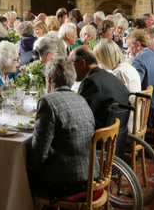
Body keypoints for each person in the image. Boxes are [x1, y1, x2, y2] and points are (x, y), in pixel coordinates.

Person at [26, 57, 97, 199]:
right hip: (91, 176)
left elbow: (40, 152)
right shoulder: (81, 99)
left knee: (23, 167)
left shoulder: (48, 101)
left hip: (65, 182)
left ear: (50, 78)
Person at [70, 46, 130, 130]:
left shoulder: (91, 81)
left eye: (70, 63)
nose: (69, 68)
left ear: (82, 63)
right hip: (119, 135)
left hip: (100, 138)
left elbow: (80, 116)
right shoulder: (110, 76)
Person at [126, 29, 154, 128]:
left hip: (149, 112)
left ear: (138, 45)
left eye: (129, 46)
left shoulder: (139, 60)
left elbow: (134, 86)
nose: (128, 51)